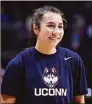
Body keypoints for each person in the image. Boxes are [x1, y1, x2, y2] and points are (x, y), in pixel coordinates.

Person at [1, 5, 88, 104]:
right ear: (36, 29)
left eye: (60, 27)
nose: (56, 32)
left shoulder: (74, 60)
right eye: (50, 26)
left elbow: (80, 100)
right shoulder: (19, 63)